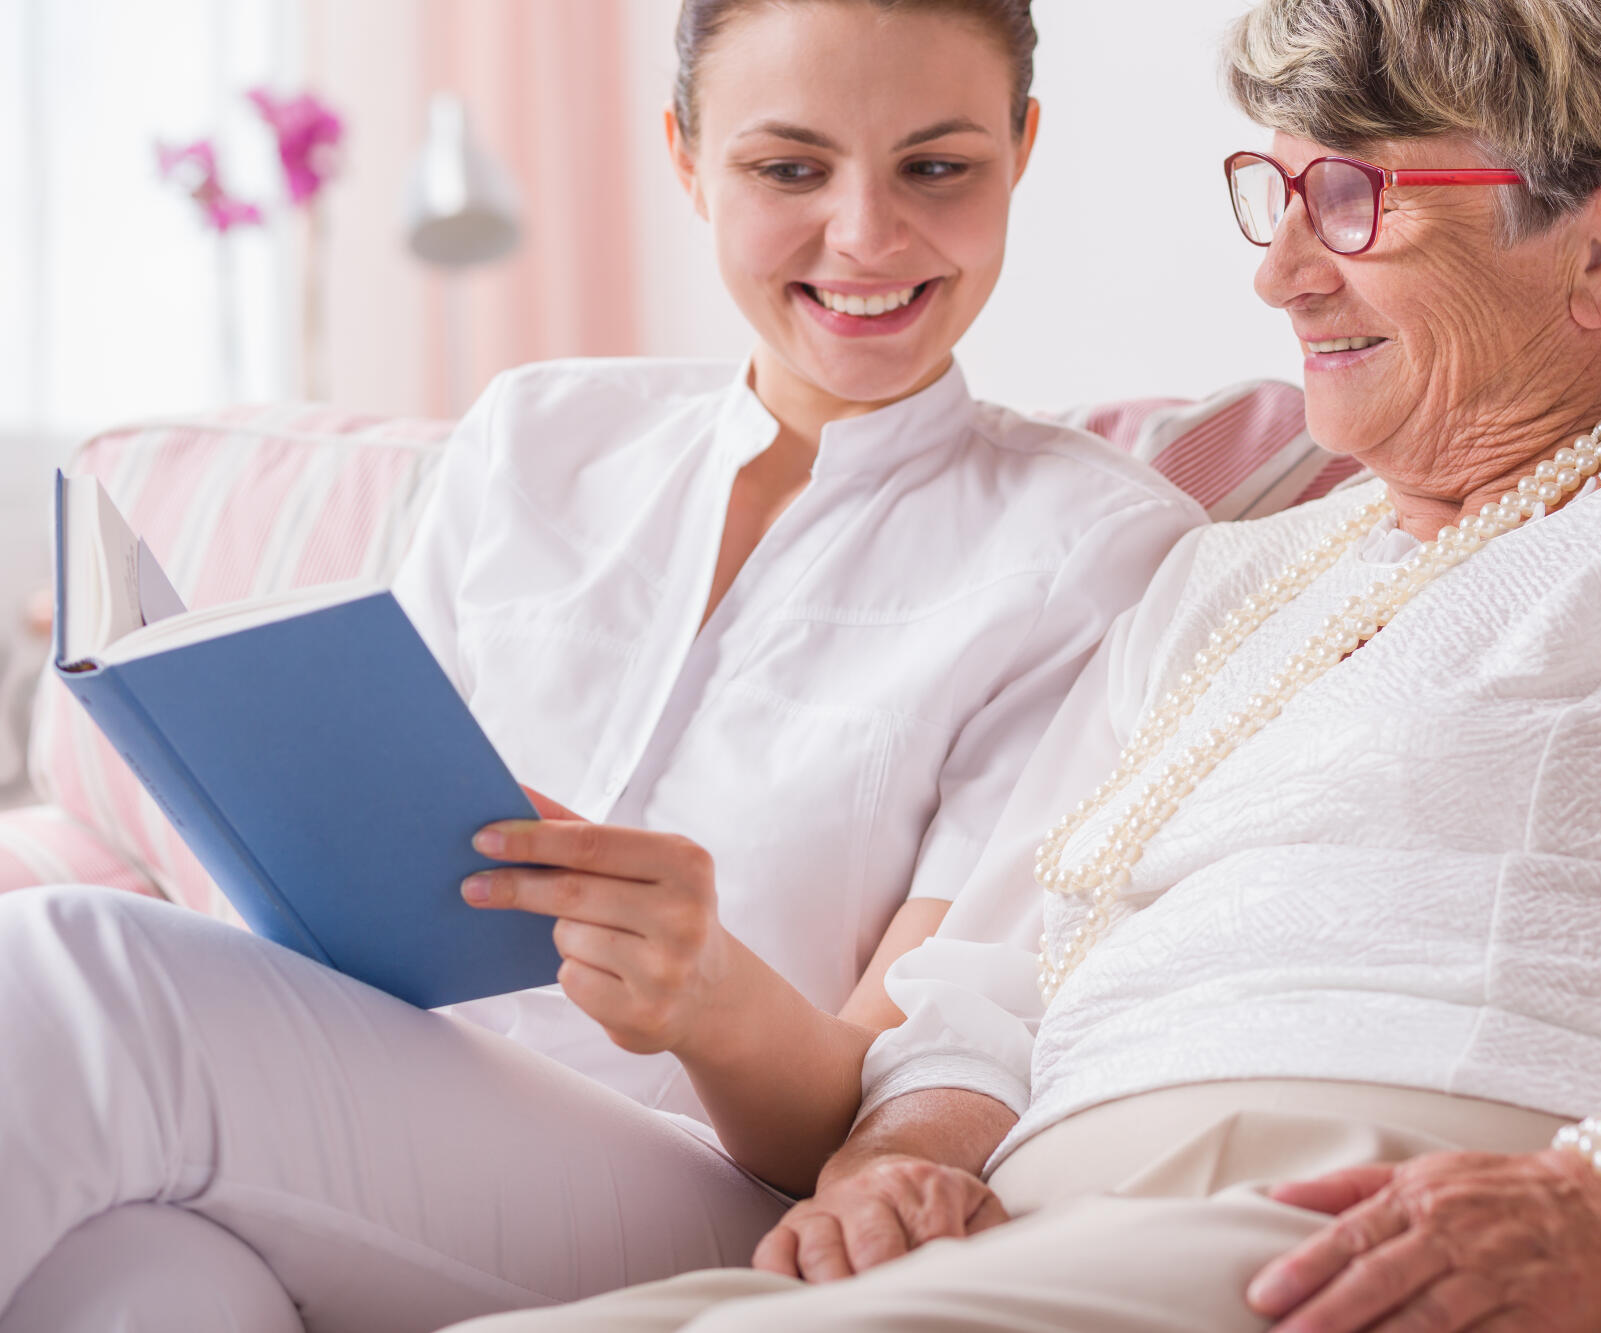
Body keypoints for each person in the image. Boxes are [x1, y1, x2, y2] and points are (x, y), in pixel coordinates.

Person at [441, 0, 1601, 1330]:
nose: (1282, 274)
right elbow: (985, 983)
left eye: (1357, 201)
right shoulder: (1225, 570)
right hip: (1060, 1237)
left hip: (1378, 1217)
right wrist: (900, 1156)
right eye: (1283, 192)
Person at [0, 2, 1204, 1330]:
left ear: (1021, 150)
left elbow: (906, 1089)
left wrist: (711, 994)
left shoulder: (1097, 556)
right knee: (126, 1274)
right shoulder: (541, 434)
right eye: (789, 169)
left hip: (701, 1181)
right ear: (686, 158)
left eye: (937, 166)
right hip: (366, 1096)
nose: (865, 235)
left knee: (72, 966)